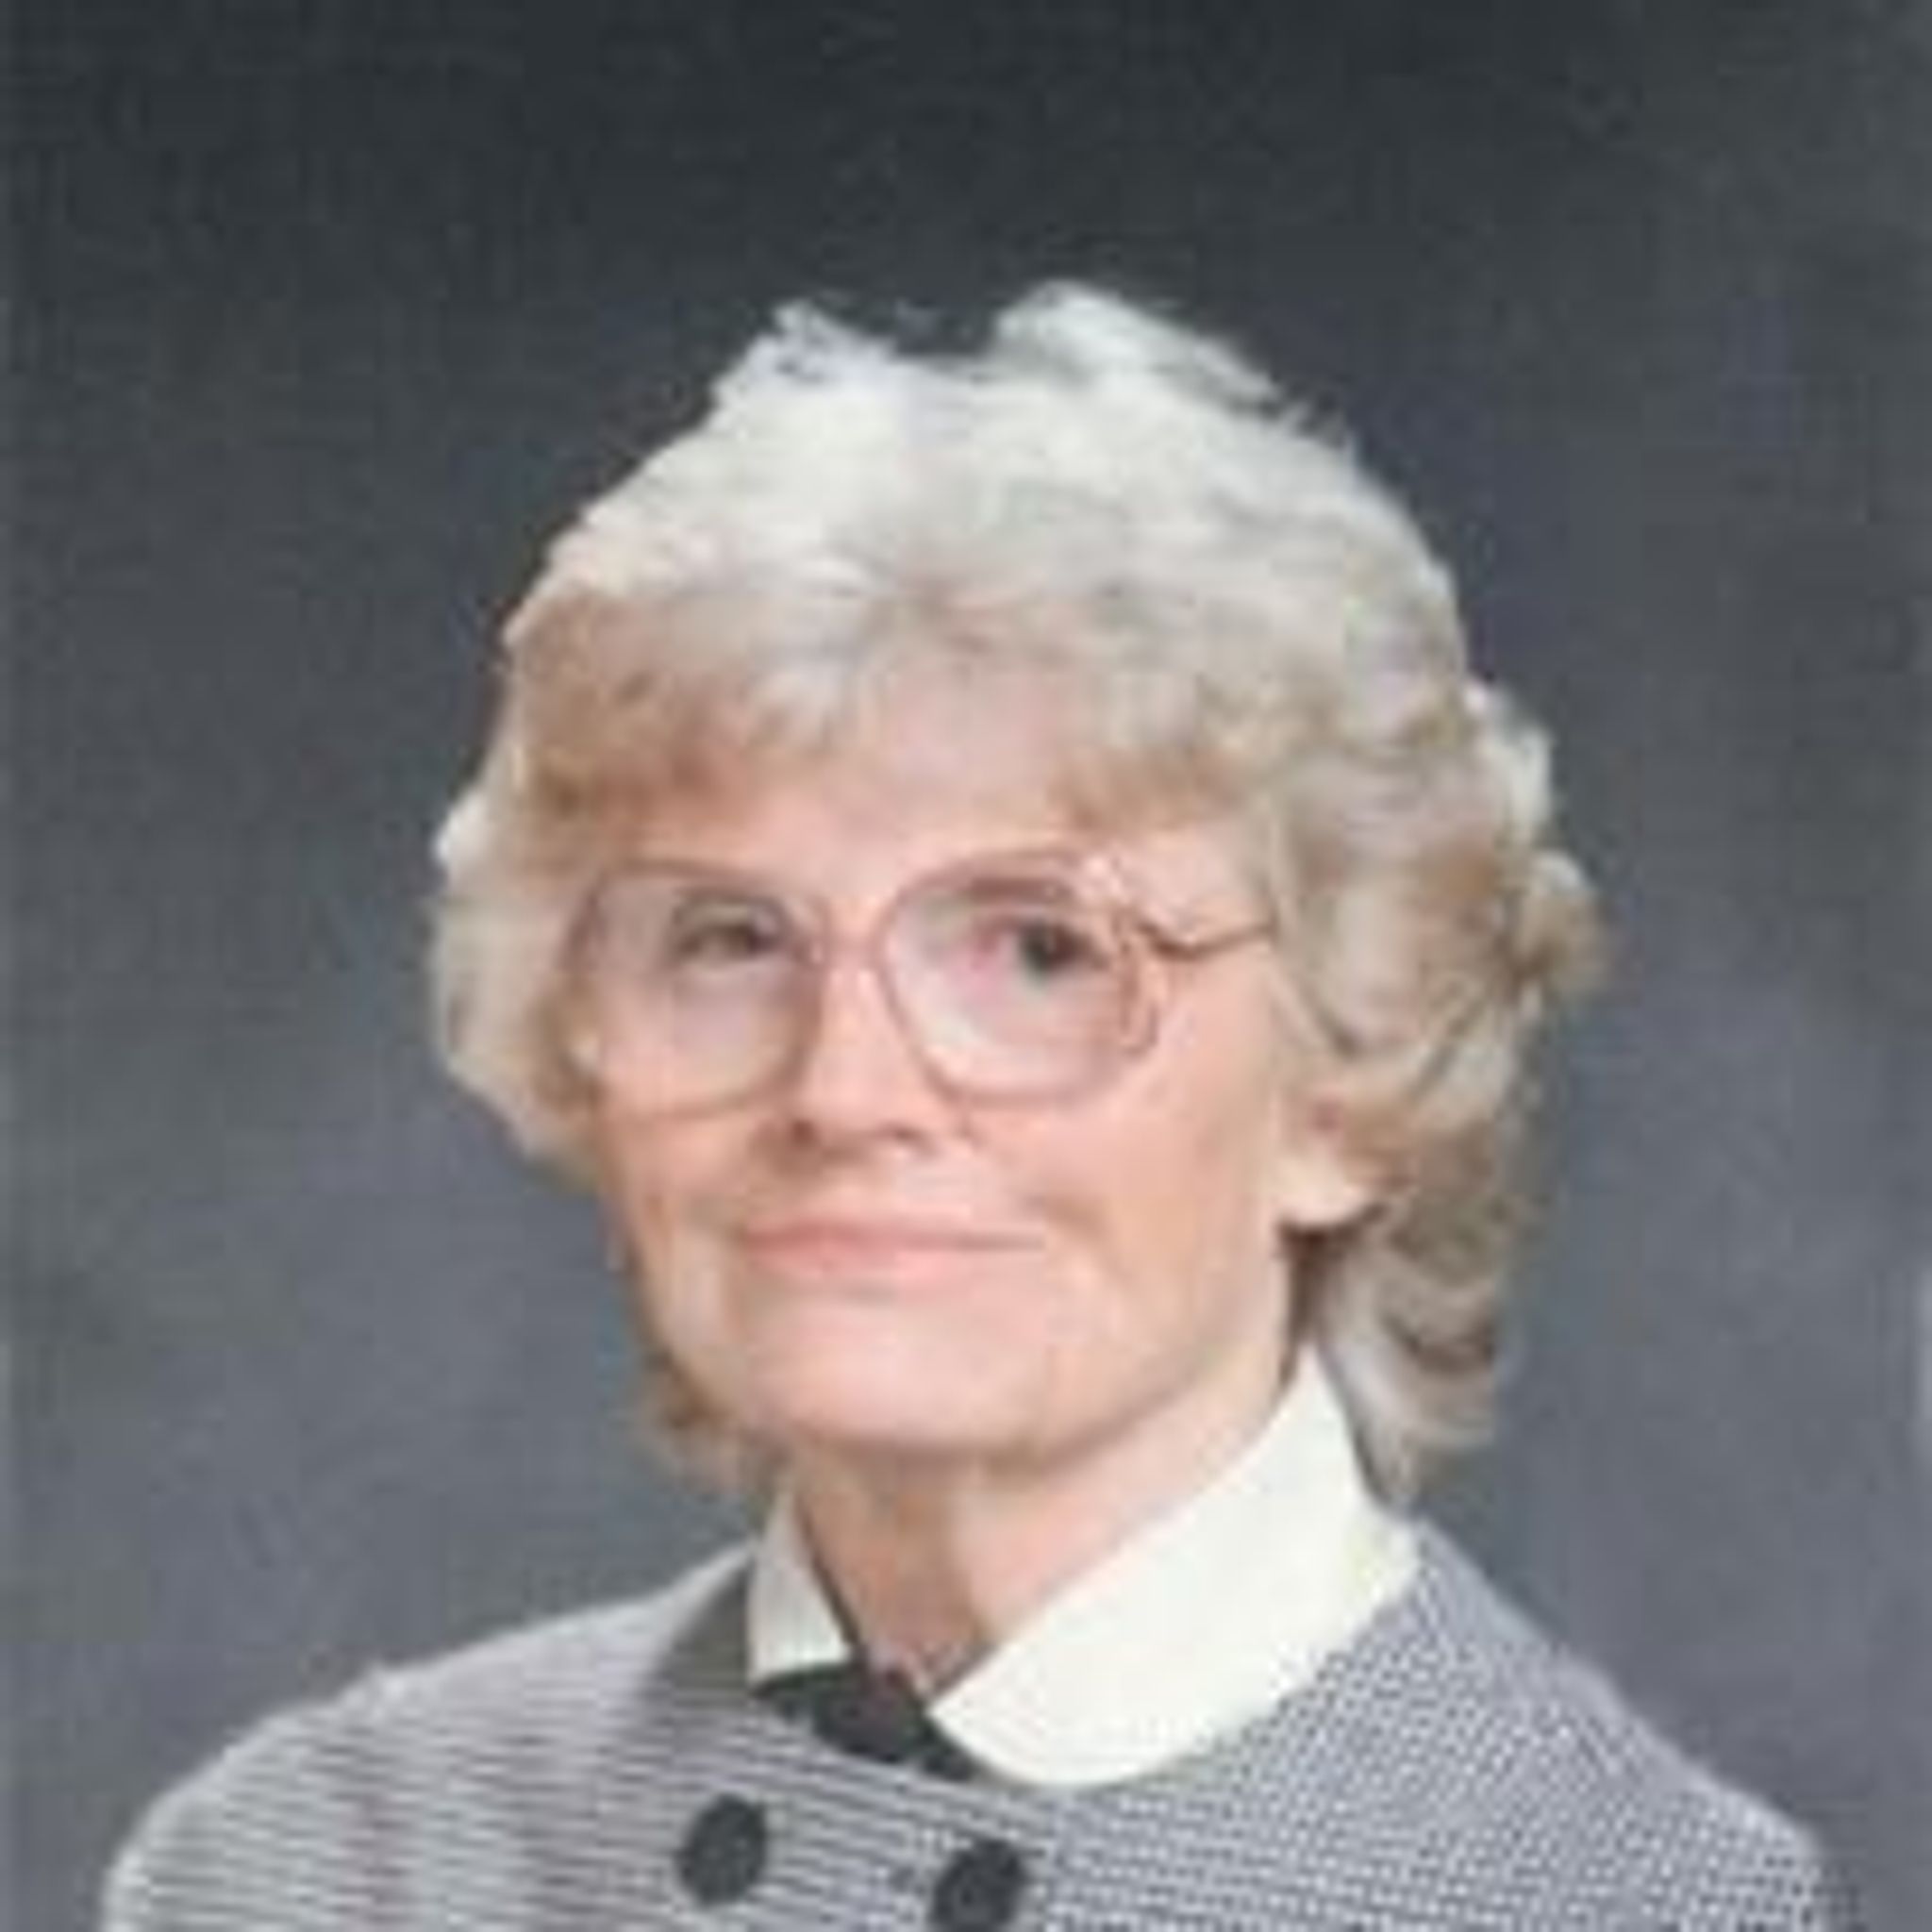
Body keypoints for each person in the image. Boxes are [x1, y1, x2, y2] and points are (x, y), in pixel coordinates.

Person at [105, 284, 1856, 1928]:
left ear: (1346, 1079)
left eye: (1038, 951)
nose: (843, 1090)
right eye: (730, 940)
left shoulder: (1633, 1906)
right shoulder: (314, 1867)